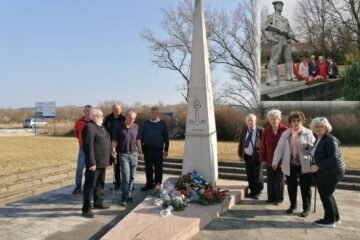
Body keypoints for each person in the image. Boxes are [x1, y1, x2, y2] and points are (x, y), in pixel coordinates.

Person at [272, 111, 315, 217]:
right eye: (293, 121)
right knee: (291, 186)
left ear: (302, 121)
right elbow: (279, 148)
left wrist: (308, 146)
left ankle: (306, 208)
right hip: (290, 164)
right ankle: (293, 205)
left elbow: (315, 147)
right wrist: (275, 161)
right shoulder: (286, 133)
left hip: (304, 164)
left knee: (305, 187)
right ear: (290, 122)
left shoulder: (308, 132)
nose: (295, 123)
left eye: (298, 120)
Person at [309, 117, 345, 228]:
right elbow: (319, 152)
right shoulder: (320, 139)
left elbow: (333, 158)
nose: (318, 128)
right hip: (326, 172)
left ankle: (329, 220)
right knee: (328, 195)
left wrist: (318, 166)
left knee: (325, 195)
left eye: (321, 126)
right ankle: (335, 217)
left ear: (326, 127)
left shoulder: (329, 139)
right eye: (316, 126)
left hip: (332, 172)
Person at [81, 108, 111, 218]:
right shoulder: (89, 127)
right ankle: (86, 208)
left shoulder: (101, 126)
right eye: (101, 116)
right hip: (94, 163)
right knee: (89, 186)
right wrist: (91, 163)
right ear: (95, 116)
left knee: (100, 184)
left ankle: (98, 202)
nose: (103, 117)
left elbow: (106, 141)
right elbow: (88, 147)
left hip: (102, 162)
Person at [112, 110, 143, 206]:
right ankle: (124, 197)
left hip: (134, 154)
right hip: (123, 155)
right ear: (126, 117)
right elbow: (114, 140)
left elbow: (138, 140)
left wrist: (141, 152)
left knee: (132, 176)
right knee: (125, 177)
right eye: (130, 118)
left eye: (134, 118)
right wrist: (113, 149)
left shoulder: (136, 127)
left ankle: (129, 194)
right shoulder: (118, 127)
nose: (132, 120)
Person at [262, 1, 296, 85]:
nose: (281, 7)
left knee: (288, 59)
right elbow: (263, 28)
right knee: (275, 58)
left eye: (281, 5)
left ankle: (290, 76)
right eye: (279, 5)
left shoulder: (285, 19)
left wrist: (291, 35)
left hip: (286, 40)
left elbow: (291, 31)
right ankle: (271, 78)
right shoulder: (271, 17)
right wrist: (270, 38)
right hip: (277, 39)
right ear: (275, 6)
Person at [259, 109, 288, 205]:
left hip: (281, 161)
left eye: (275, 118)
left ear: (279, 119)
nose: (273, 120)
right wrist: (262, 159)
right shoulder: (266, 131)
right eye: (271, 119)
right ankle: (271, 198)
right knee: (270, 180)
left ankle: (279, 199)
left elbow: (287, 147)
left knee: (279, 180)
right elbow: (263, 146)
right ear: (269, 120)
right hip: (269, 159)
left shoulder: (285, 130)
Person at [141, 106, 169, 191]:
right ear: (150, 113)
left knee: (158, 168)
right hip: (147, 150)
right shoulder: (146, 123)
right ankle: (149, 184)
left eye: (156, 112)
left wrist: (166, 150)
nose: (154, 114)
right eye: (152, 112)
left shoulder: (162, 123)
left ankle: (157, 184)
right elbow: (141, 137)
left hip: (158, 150)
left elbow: (166, 138)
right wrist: (142, 150)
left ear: (158, 113)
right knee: (148, 168)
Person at [238, 114, 264, 199]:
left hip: (257, 156)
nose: (250, 122)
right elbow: (241, 143)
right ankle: (252, 191)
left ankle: (257, 191)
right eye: (248, 120)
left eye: (251, 120)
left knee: (257, 175)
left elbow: (264, 144)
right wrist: (240, 154)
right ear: (246, 121)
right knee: (250, 174)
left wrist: (263, 155)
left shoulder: (260, 130)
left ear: (255, 121)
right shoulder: (244, 130)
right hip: (247, 156)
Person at [103, 103, 126, 190]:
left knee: (124, 166)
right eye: (114, 109)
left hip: (122, 145)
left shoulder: (124, 118)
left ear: (121, 109)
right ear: (112, 110)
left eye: (118, 109)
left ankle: (127, 183)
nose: (116, 110)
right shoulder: (108, 118)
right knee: (115, 165)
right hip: (110, 145)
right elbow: (104, 130)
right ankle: (117, 183)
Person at [72, 105, 92, 195]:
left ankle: (89, 186)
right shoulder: (79, 122)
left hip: (92, 149)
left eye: (90, 111)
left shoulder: (94, 122)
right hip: (83, 149)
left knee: (91, 168)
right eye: (86, 111)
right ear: (84, 111)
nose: (88, 112)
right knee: (80, 168)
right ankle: (78, 186)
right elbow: (76, 133)